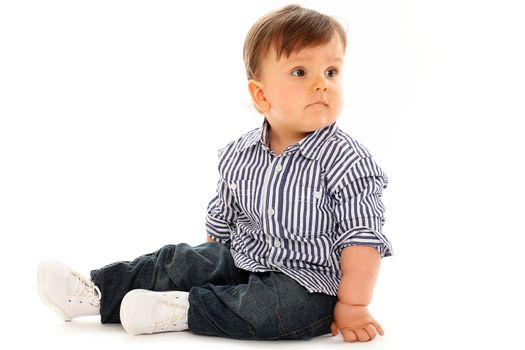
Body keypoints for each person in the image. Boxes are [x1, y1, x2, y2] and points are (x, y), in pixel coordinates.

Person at [37, 4, 393, 342]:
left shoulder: (348, 160)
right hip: (245, 257)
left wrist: (353, 304)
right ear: (261, 95)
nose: (322, 84)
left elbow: (361, 239)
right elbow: (222, 218)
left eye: (331, 72)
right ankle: (98, 293)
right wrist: (206, 265)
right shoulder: (240, 153)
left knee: (275, 310)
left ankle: (184, 309)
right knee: (182, 258)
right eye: (301, 72)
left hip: (311, 284)